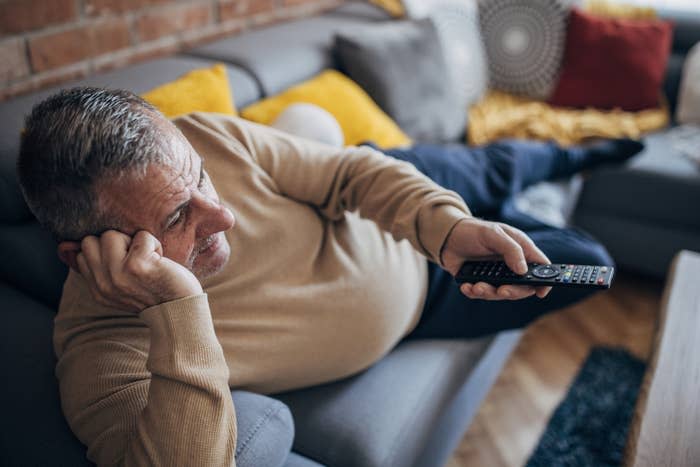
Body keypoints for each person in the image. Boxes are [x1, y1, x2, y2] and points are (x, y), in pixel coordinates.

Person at [16, 88, 641, 466]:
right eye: (180, 215)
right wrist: (175, 307)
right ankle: (513, 198)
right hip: (433, 297)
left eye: (200, 177)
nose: (224, 215)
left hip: (398, 209)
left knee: (497, 164)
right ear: (84, 255)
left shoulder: (206, 134)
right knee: (590, 260)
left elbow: (353, 174)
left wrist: (446, 229)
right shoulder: (99, 358)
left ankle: (574, 153)